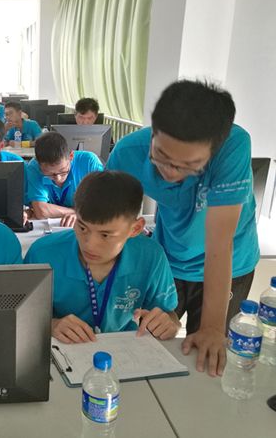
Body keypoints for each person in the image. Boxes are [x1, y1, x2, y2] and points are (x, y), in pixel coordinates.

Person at [106, 80, 260, 377]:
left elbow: (220, 244)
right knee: (148, 343)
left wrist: (213, 328)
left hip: (230, 265)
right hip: (169, 259)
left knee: (210, 358)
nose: (170, 171)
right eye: (161, 156)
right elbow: (109, 222)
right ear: (153, 132)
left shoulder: (233, 146)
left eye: (188, 165)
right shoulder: (128, 153)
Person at [25, 171, 180, 342]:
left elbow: (169, 314)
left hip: (124, 345)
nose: (89, 245)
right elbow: (22, 317)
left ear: (135, 229)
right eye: (82, 227)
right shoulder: (42, 254)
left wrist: (169, 324)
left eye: (105, 235)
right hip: (62, 345)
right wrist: (50, 325)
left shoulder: (151, 256)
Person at [27, 132, 103, 227]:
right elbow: (41, 210)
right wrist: (78, 213)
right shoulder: (34, 168)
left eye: (63, 171)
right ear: (38, 163)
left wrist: (81, 215)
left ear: (71, 156)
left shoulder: (89, 162)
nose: (58, 179)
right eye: (49, 174)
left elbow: (102, 204)